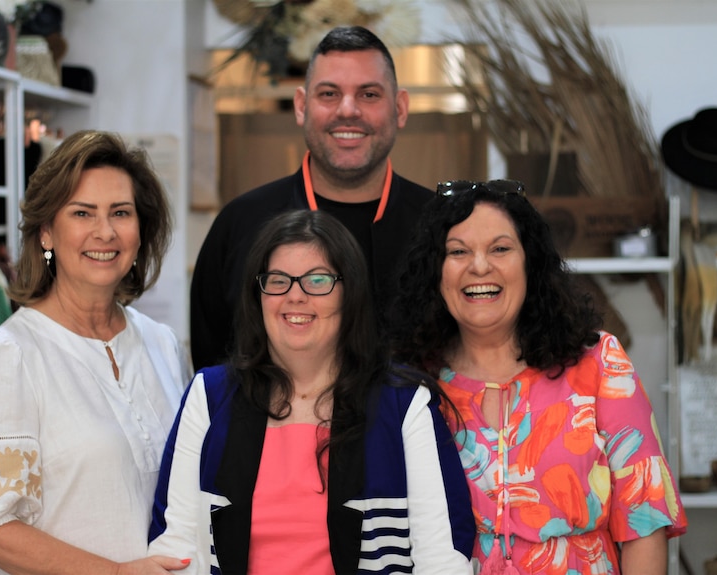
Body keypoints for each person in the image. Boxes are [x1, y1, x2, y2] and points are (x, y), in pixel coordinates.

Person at [149, 210, 476, 574]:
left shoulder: (404, 404)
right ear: (257, 295)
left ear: (348, 292)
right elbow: (173, 549)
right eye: (278, 280)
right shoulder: (209, 397)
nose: (295, 296)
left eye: (317, 280)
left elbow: (443, 560)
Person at [388, 180, 688, 574]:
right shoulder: (410, 383)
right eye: (458, 251)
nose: (480, 266)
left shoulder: (598, 363)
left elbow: (644, 519)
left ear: (530, 262)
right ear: (435, 271)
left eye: (500, 248)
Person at [0, 130, 191, 575]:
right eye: (82, 213)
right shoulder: (8, 356)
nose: (105, 231)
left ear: (141, 230)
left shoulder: (162, 344)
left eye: (121, 212)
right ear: (46, 232)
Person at [189, 25, 434, 371]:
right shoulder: (240, 225)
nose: (348, 110)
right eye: (329, 94)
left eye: (369, 95)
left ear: (400, 108)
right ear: (302, 106)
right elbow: (214, 379)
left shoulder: (443, 227)